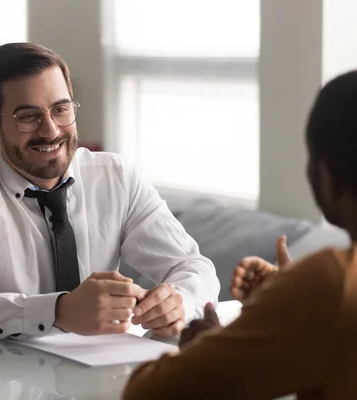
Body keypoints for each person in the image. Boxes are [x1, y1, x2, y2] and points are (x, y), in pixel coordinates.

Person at [0, 42, 219, 340]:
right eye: (28, 117)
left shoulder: (116, 177)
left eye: (60, 109)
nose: (50, 130)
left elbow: (193, 266)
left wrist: (179, 302)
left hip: (103, 372)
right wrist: (58, 311)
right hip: (4, 381)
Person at [123, 70, 357, 399]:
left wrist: (204, 346)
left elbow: (146, 392)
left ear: (327, 175)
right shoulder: (323, 288)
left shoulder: (330, 284)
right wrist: (284, 295)